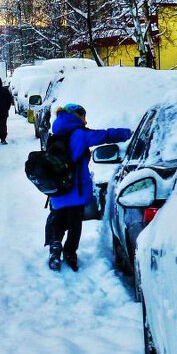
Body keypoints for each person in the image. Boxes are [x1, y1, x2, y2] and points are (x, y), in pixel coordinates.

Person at [45, 103, 132, 272]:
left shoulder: (56, 132)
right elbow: (105, 136)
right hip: (75, 189)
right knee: (74, 224)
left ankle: (55, 247)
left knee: (57, 219)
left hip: (57, 189)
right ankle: (70, 253)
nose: (85, 120)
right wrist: (127, 133)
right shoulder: (80, 134)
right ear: (78, 116)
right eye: (83, 116)